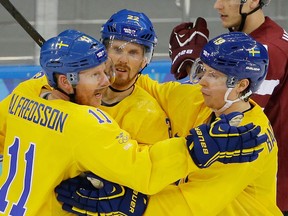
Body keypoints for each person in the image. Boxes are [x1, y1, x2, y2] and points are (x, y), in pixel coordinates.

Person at [0, 29, 263, 215]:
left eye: (106, 71)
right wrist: (195, 149)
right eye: (95, 75)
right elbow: (145, 170)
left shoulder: (25, 93)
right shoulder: (85, 123)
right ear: (66, 81)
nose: (106, 81)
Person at [171, 1, 288, 212]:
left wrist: (193, 66)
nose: (217, 5)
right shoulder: (262, 40)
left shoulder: (266, 50)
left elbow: (232, 118)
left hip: (261, 185)